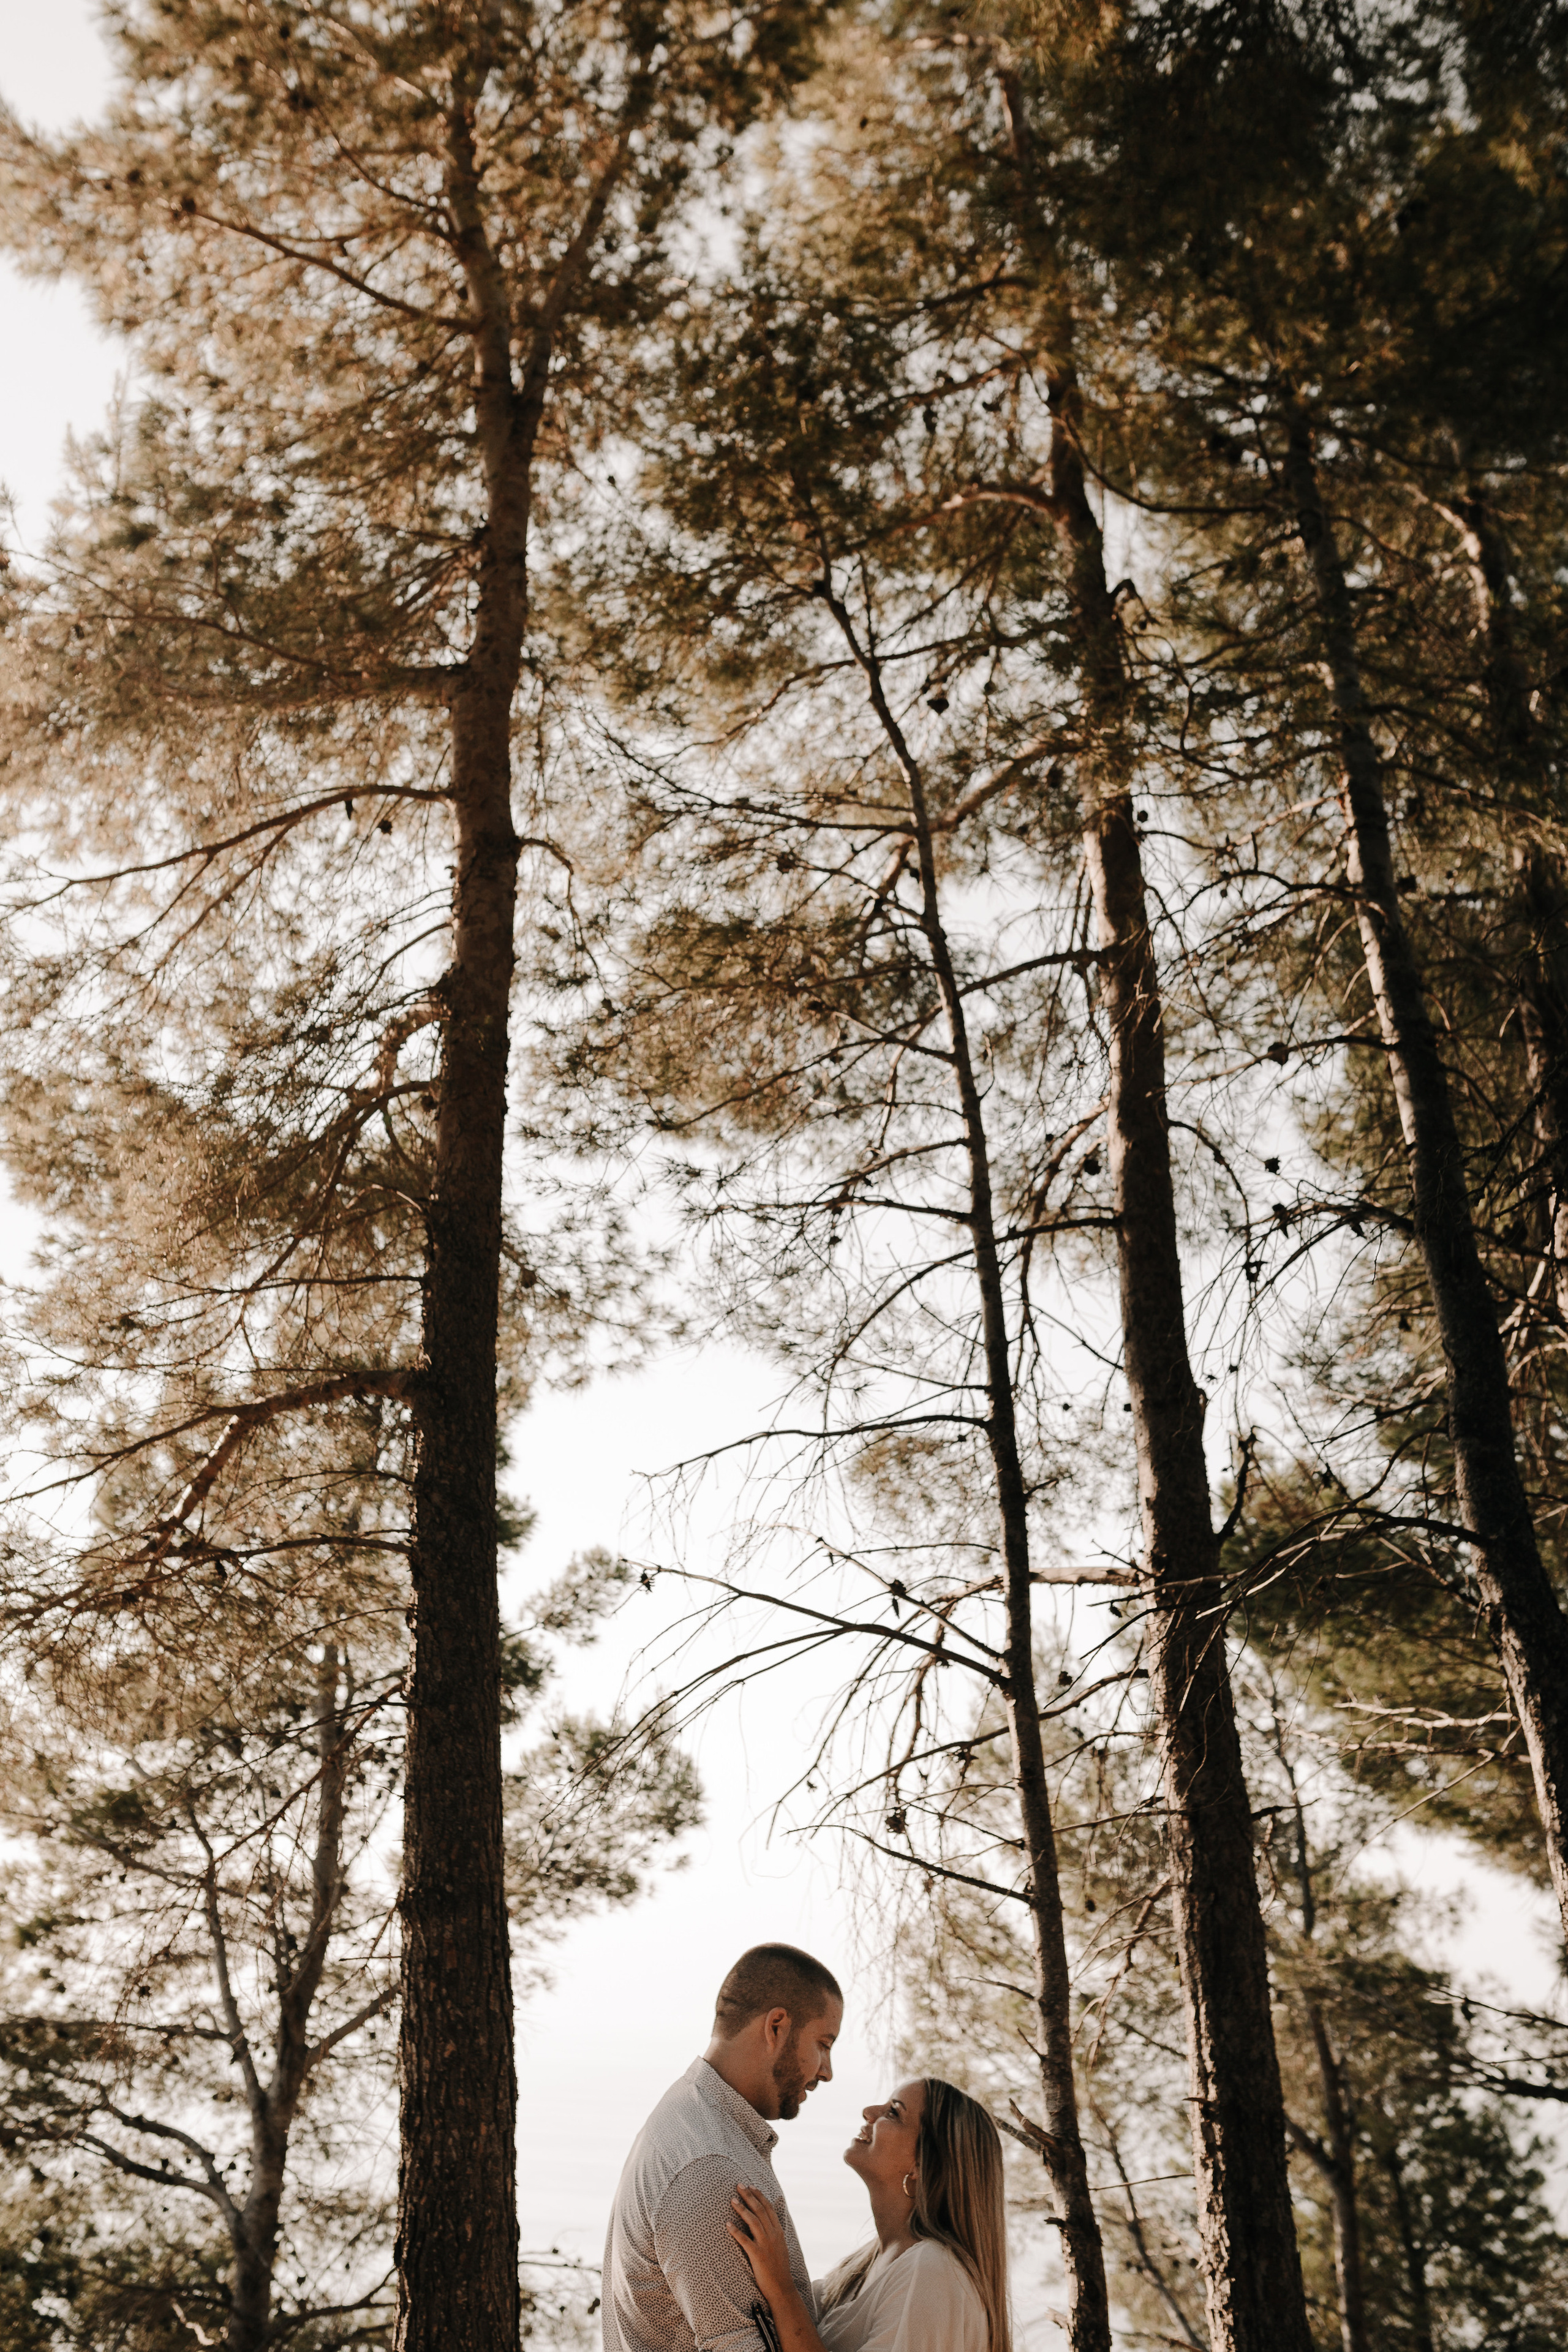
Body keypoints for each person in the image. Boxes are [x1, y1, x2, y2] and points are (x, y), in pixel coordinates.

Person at [602, 1943, 843, 2352]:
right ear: (777, 2027)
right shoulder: (709, 2169)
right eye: (824, 2043)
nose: (827, 2071)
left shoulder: (689, 2117)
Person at [727, 2076, 1010, 2352]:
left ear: (922, 2164)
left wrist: (781, 2288)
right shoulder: (862, 2265)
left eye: (894, 2113)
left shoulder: (932, 2271)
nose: (869, 2112)